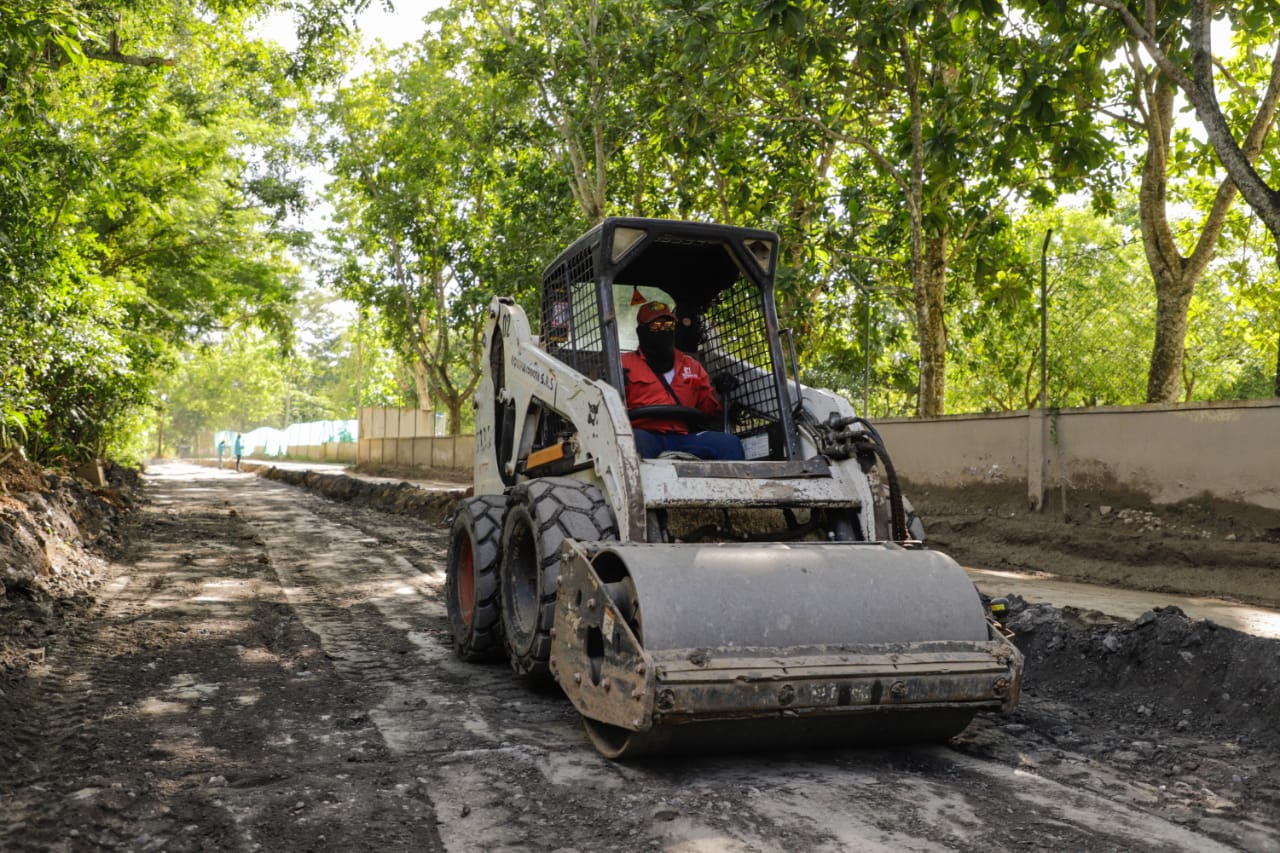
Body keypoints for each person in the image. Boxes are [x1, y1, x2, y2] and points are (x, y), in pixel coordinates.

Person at [622, 301, 744, 460]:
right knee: (631, 443)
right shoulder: (622, 364)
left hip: (683, 436)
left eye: (669, 325)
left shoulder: (692, 366)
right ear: (641, 331)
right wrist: (613, 385)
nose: (663, 330)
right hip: (644, 434)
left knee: (729, 444)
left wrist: (719, 391)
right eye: (657, 326)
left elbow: (707, 409)